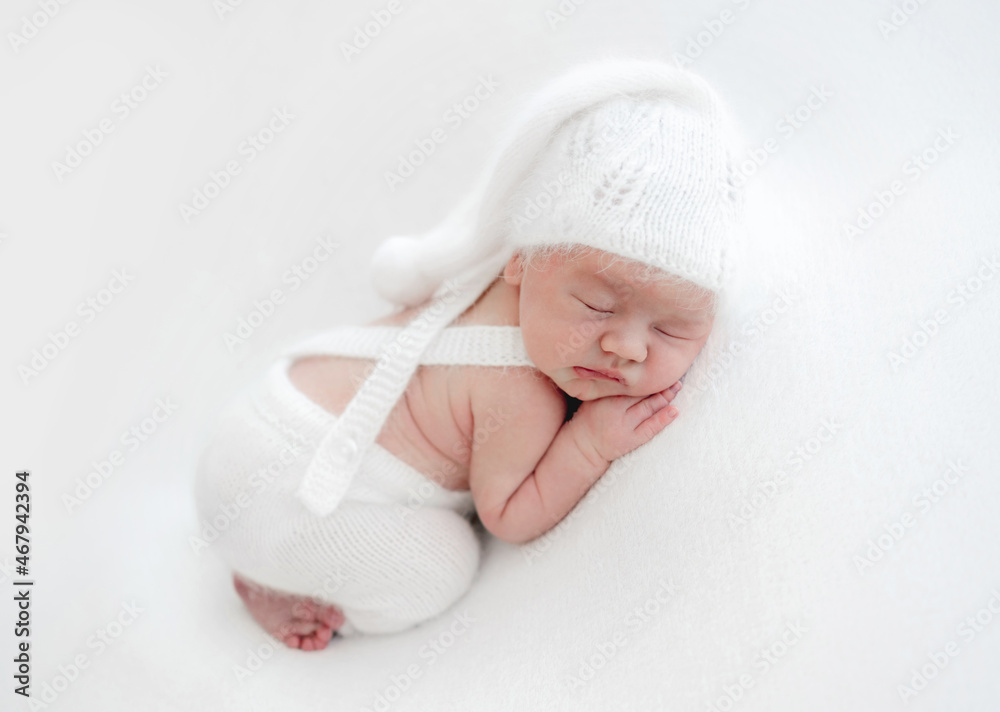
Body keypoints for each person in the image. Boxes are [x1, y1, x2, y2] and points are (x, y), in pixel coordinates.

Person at [193, 57, 744, 650]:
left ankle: (275, 557)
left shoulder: (497, 280)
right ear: (523, 259)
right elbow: (508, 516)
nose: (626, 347)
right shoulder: (520, 392)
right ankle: (281, 586)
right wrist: (588, 444)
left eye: (671, 329)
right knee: (442, 569)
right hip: (290, 489)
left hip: (263, 416)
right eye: (597, 306)